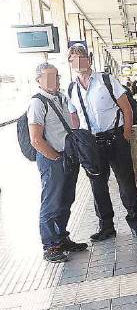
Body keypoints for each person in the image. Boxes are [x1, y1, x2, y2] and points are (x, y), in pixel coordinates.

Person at [66, 44, 137, 241]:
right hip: (91, 144)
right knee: (98, 186)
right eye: (73, 59)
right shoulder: (71, 89)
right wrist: (79, 141)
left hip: (115, 138)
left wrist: (126, 133)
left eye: (81, 57)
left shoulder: (106, 80)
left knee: (126, 182)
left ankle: (136, 224)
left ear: (89, 59)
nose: (78, 62)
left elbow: (126, 108)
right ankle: (106, 226)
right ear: (69, 64)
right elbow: (74, 117)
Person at [28, 63, 89, 263]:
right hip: (52, 160)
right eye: (48, 77)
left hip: (67, 156)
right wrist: (55, 157)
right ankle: (50, 246)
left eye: (56, 76)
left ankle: (62, 238)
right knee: (52, 203)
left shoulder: (61, 97)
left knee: (66, 200)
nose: (54, 81)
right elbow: (35, 139)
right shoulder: (38, 103)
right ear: (38, 80)